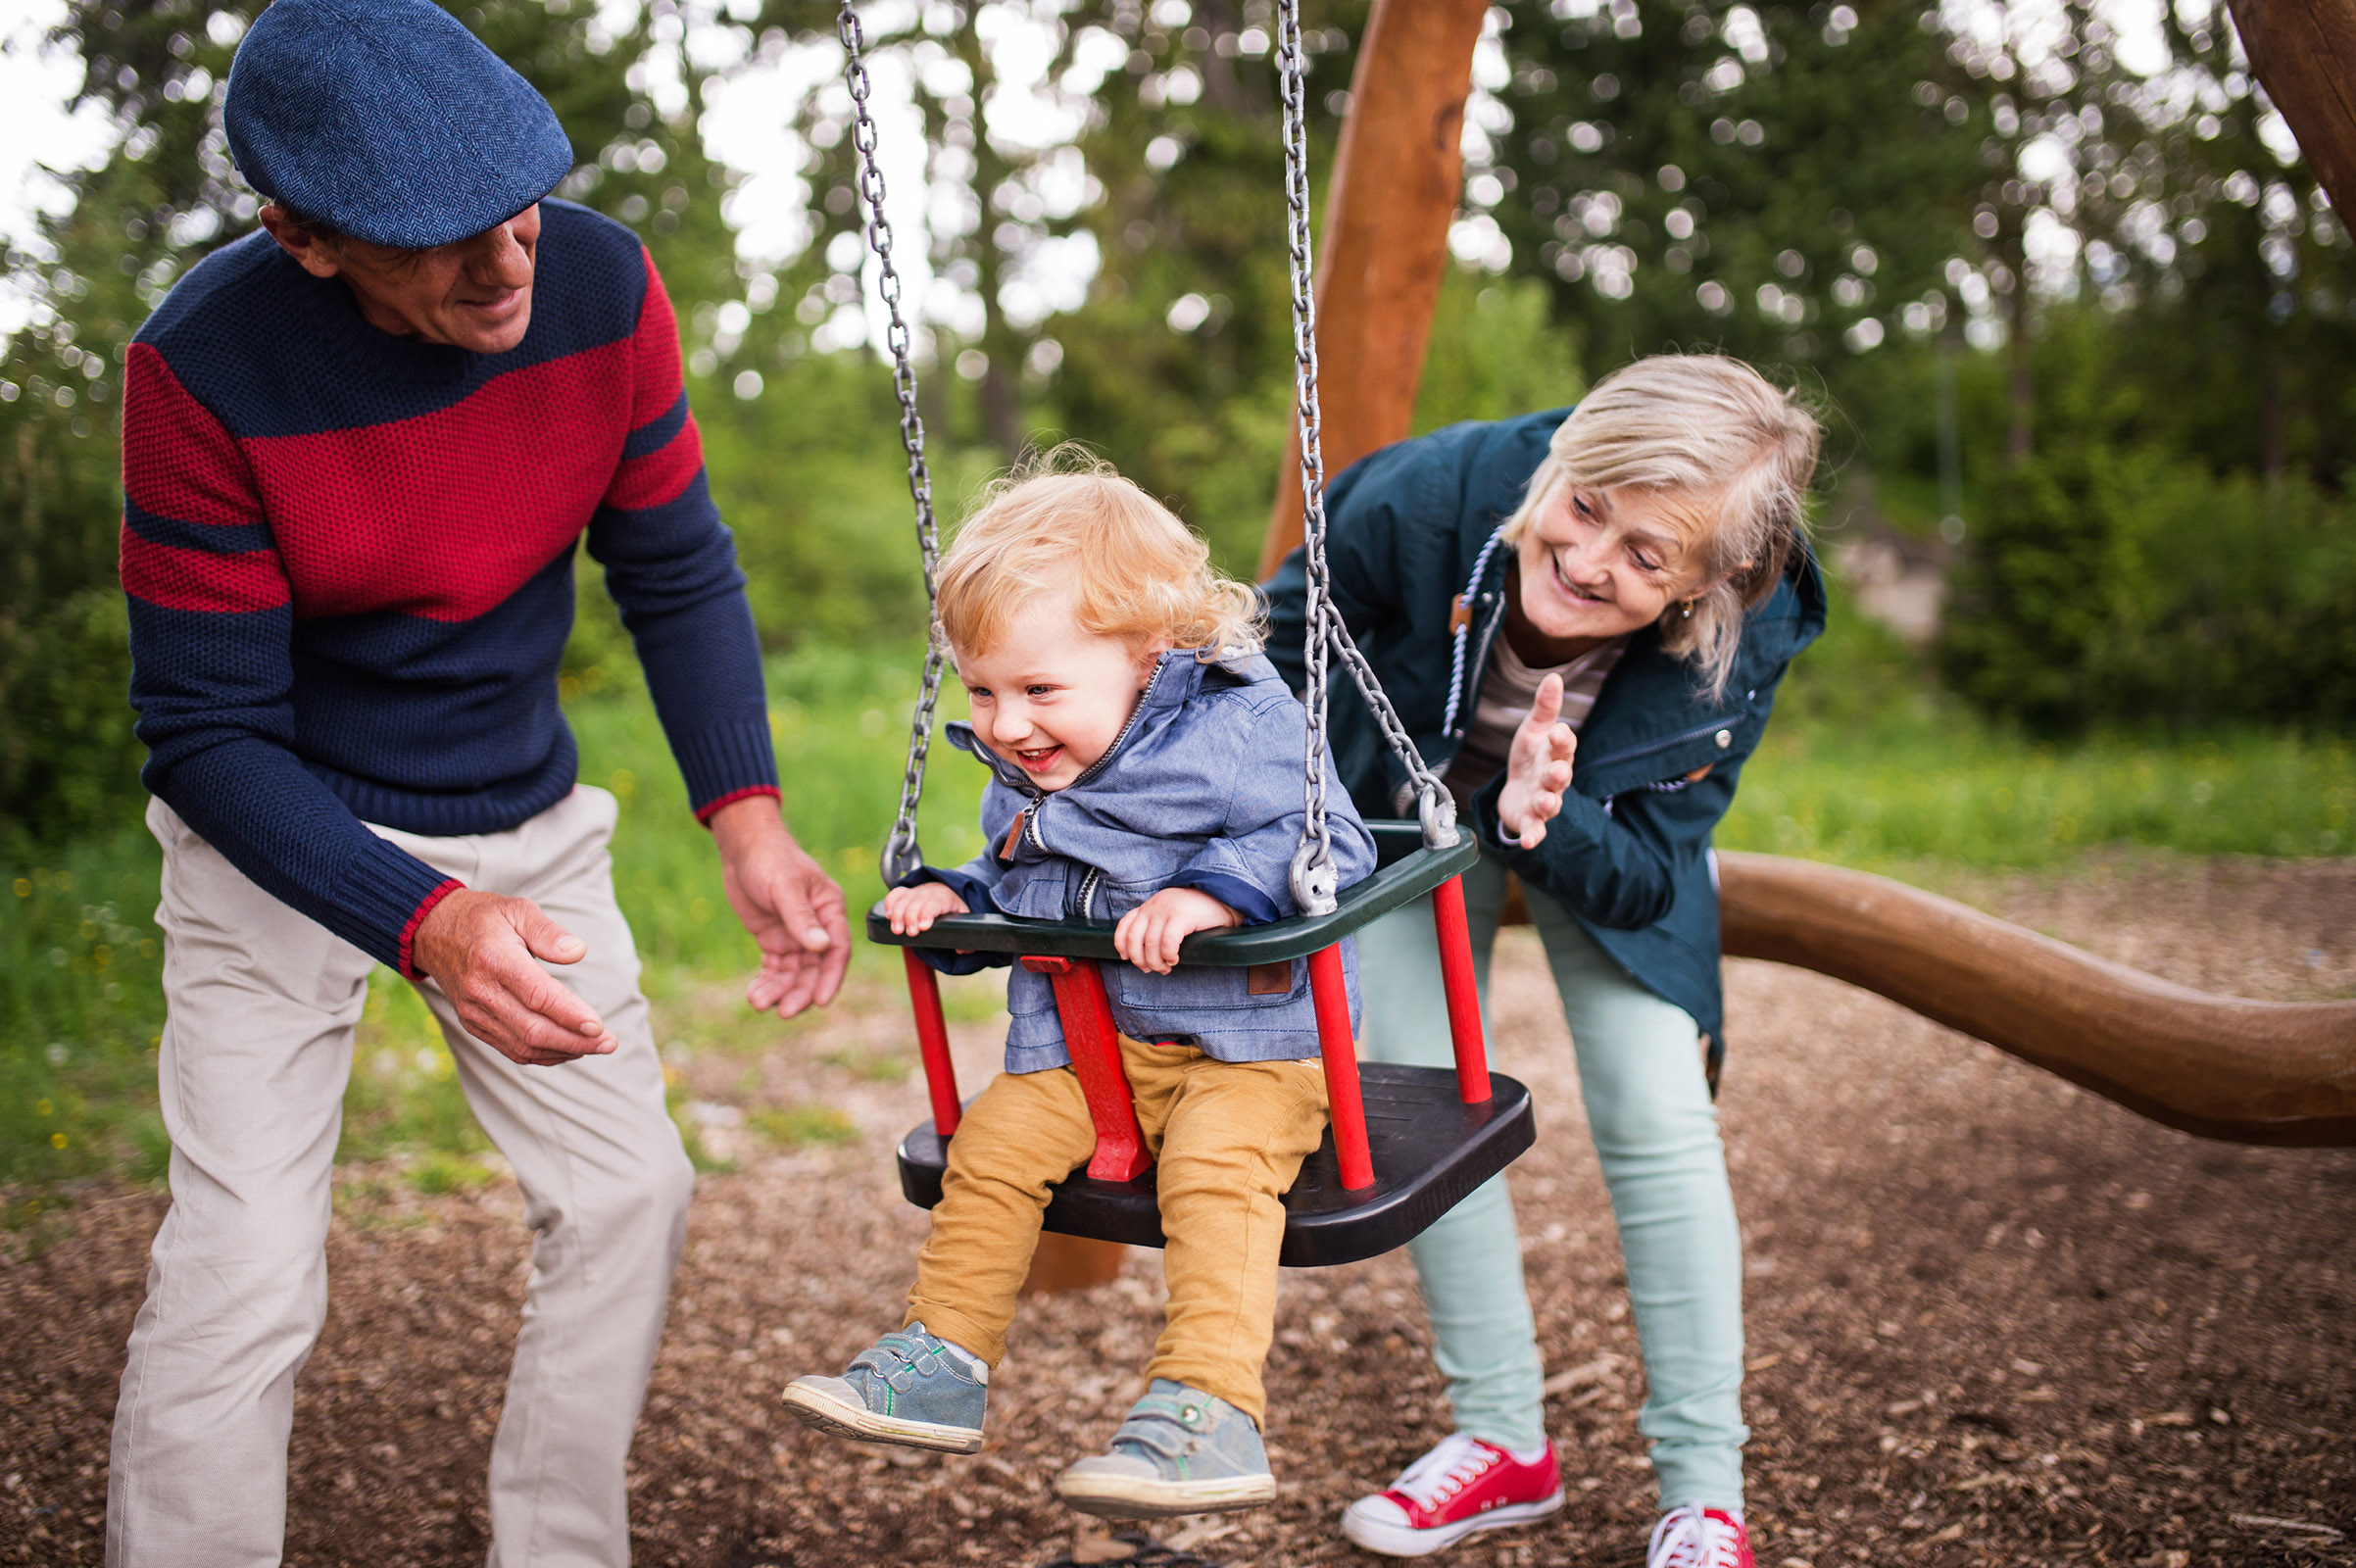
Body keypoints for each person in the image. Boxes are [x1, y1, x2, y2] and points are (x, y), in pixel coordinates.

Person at [106, 2, 851, 1563]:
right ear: (305, 237)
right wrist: (425, 923)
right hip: (282, 832)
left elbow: (675, 562)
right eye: (446, 243)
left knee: (629, 1196)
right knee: (246, 1271)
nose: (507, 266)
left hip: (521, 815)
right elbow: (208, 733)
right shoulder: (200, 368)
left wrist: (750, 816)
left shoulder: (602, 284)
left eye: (518, 210)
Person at [1264, 355, 1826, 1568]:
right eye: (1583, 506)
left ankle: (1702, 1488)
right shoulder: (1423, 499)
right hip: (1404, 805)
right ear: (1561, 450)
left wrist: (1543, 816)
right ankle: (1502, 1438)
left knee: (1654, 1099)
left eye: (1645, 556)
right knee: (1419, 1092)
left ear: (1711, 581)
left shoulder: (1750, 625)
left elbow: (1649, 874)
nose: (1586, 561)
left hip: (1596, 827)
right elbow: (1268, 653)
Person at [780, 459, 1377, 1520]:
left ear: (1149, 657)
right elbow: (1024, 874)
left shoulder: (1241, 728)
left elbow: (1332, 838)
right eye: (984, 691)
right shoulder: (1036, 767)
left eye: (1038, 690)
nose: (1006, 726)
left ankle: (1207, 1409)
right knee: (992, 1146)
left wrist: (1212, 897)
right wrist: (952, 899)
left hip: (1251, 1056)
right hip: (1094, 1051)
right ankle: (942, 1363)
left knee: (1216, 1175)